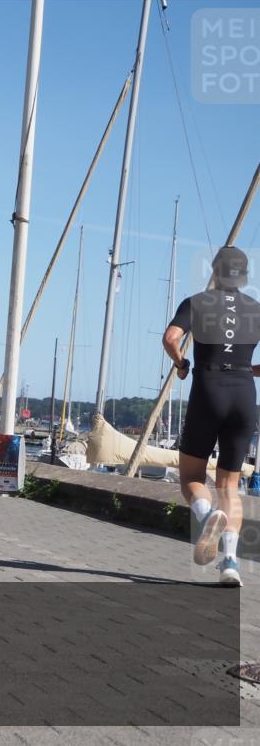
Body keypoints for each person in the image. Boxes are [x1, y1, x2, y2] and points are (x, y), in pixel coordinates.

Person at [163, 246, 260, 587]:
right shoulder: (256, 309)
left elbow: (171, 338)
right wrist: (250, 370)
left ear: (215, 272)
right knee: (230, 487)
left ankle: (206, 518)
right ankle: (230, 563)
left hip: (208, 390)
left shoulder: (197, 302)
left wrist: (180, 363)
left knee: (191, 476)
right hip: (244, 395)